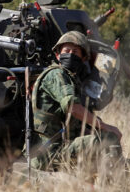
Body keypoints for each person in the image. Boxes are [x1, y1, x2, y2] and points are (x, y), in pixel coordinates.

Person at [30, 31, 122, 171]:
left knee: (98, 135)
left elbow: (78, 121)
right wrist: (105, 127)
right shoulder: (57, 75)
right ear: (58, 54)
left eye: (75, 52)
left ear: (83, 58)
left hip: (56, 150)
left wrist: (96, 128)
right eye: (66, 50)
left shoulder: (72, 80)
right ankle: (112, 187)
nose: (71, 54)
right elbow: (73, 108)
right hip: (48, 155)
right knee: (107, 139)